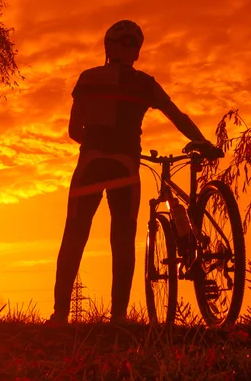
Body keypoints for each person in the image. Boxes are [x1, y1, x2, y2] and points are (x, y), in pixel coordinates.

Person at [49, 20, 212, 325]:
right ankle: (119, 316)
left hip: (91, 164)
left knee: (74, 234)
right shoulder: (145, 84)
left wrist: (99, 145)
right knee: (122, 238)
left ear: (107, 48)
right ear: (136, 53)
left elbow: (74, 131)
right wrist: (202, 141)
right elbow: (178, 117)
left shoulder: (87, 79)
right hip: (125, 166)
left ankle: (59, 314)